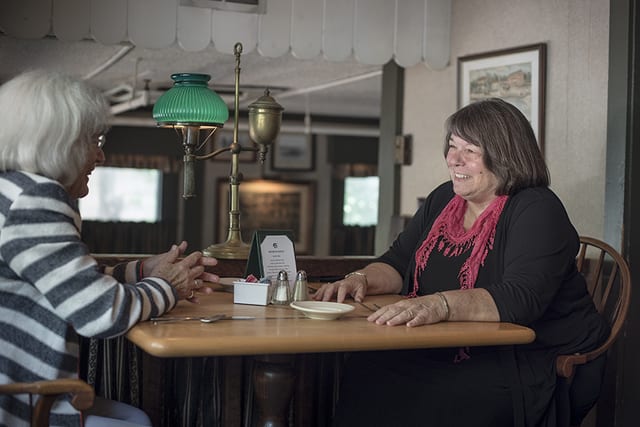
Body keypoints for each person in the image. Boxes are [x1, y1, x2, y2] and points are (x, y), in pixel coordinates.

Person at [314, 98, 610, 427]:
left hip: (530, 357)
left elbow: (521, 298)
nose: (453, 159)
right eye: (452, 147)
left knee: (434, 395)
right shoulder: (444, 198)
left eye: (469, 151)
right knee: (366, 369)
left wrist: (440, 304)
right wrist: (361, 278)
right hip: (455, 344)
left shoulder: (536, 208)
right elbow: (398, 262)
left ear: (505, 154)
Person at [0, 69, 219, 427]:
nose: (100, 156)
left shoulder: (11, 192)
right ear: (59, 141)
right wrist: (170, 287)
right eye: (94, 140)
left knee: (135, 418)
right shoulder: (35, 200)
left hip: (20, 391)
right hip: (21, 403)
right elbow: (100, 312)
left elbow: (65, 284)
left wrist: (145, 271)